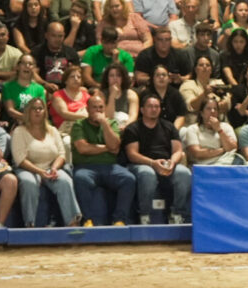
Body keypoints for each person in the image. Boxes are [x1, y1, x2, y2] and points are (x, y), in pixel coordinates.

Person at [10, 97, 82, 227]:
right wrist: (40, 172)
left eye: (40, 108)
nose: (38, 111)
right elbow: (20, 159)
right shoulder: (19, 131)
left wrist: (54, 168)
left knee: (65, 180)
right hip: (27, 169)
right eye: (34, 109)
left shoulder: (53, 130)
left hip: (50, 167)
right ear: (28, 112)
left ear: (45, 112)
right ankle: (30, 224)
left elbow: (61, 154)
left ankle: (72, 222)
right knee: (29, 182)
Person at [121, 92, 191, 225]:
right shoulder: (133, 128)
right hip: (141, 164)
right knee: (147, 174)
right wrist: (153, 163)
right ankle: (144, 215)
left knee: (184, 173)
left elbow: (177, 150)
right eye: (150, 106)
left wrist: (172, 162)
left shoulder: (169, 126)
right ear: (142, 109)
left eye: (157, 107)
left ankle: (176, 213)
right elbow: (132, 154)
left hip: (165, 163)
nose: (154, 109)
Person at [71, 93, 136, 226]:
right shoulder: (79, 125)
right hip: (85, 167)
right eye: (94, 107)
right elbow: (83, 148)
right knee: (80, 178)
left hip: (110, 167)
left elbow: (115, 146)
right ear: (88, 109)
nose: (98, 111)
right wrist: (107, 148)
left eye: (101, 107)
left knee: (128, 179)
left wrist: (104, 123)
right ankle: (88, 219)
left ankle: (119, 219)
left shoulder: (111, 123)